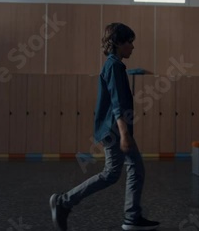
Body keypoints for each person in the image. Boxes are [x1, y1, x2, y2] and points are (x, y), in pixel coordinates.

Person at [49, 23, 160, 231]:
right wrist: (125, 134)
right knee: (113, 173)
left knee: (133, 168)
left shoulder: (113, 65)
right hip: (115, 130)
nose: (132, 47)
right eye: (130, 42)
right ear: (118, 43)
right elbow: (118, 103)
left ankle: (132, 217)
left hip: (113, 129)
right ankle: (64, 202)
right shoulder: (114, 66)